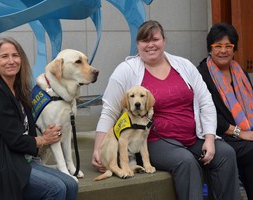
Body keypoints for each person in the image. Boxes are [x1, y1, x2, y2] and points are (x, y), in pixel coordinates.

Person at [92, 20, 240, 200]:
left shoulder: (183, 65)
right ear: (137, 44)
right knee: (186, 161)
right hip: (154, 140)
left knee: (225, 154)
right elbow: (109, 111)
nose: (150, 45)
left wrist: (209, 138)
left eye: (155, 39)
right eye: (144, 41)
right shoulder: (126, 71)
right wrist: (99, 149)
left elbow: (205, 102)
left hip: (193, 136)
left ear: (164, 40)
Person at [0, 37, 78, 200]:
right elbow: (16, 139)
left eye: (15, 55)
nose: (11, 61)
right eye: (4, 56)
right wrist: (43, 139)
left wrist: (44, 133)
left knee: (71, 184)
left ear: (21, 60)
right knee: (56, 189)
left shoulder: (19, 90)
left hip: (18, 160)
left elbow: (25, 131)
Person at [197, 22, 253, 200]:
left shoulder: (240, 72)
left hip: (245, 133)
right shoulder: (201, 74)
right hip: (216, 135)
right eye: (218, 46)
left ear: (234, 48)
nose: (223, 51)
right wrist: (240, 133)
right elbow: (207, 113)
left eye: (228, 46)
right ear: (209, 49)